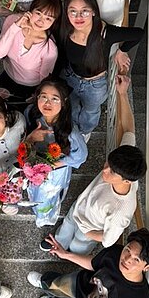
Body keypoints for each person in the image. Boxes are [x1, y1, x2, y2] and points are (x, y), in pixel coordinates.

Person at [42, 74, 145, 254]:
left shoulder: (122, 211)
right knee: (67, 223)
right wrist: (122, 94)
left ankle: (71, 251)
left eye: (111, 172)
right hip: (81, 205)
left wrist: (88, 232)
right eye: (108, 164)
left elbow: (108, 240)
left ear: (127, 181)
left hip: (90, 228)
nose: (104, 170)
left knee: (77, 247)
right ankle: (58, 240)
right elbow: (129, 129)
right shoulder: (125, 158)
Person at [58, 0, 145, 138]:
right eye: (72, 11)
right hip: (70, 76)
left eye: (84, 11)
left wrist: (122, 51)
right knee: (69, 106)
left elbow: (138, 34)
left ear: (93, 11)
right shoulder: (66, 29)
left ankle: (84, 133)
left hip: (94, 86)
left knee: (90, 112)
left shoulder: (105, 33)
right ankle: (72, 132)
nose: (78, 17)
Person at [23, 78, 87, 227]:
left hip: (56, 169)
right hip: (34, 164)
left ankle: (46, 216)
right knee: (35, 190)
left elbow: (81, 156)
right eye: (43, 97)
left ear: (64, 102)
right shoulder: (31, 113)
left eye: (54, 99)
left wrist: (51, 166)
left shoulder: (70, 132)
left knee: (49, 195)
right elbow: (23, 142)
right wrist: (30, 139)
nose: (47, 103)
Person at [0, 0, 61, 104]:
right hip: (6, 73)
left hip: (29, 86)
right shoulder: (13, 20)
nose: (40, 21)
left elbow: (44, 81)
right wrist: (15, 27)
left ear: (53, 22)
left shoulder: (50, 49)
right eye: (38, 13)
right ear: (31, 11)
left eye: (48, 18)